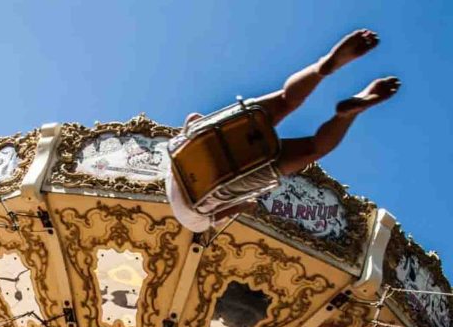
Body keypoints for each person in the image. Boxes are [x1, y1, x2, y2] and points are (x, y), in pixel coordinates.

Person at [166, 29, 400, 232]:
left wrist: (248, 204)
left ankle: (349, 113)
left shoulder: (196, 222)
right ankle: (323, 66)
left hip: (225, 181)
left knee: (313, 148)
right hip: (203, 140)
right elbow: (193, 118)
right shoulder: (170, 173)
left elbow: (232, 208)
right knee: (285, 100)